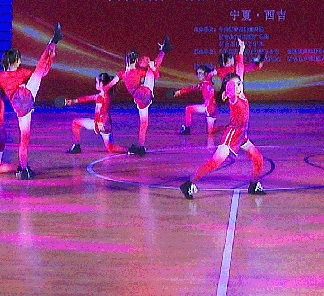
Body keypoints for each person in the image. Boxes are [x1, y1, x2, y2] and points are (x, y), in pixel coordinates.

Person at [180, 39, 265, 199]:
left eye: (239, 83)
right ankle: (189, 183)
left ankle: (254, 185)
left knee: (258, 158)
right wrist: (228, 90)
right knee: (215, 162)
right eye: (236, 84)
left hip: (242, 135)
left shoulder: (240, 91)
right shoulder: (234, 98)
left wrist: (241, 51)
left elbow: (239, 69)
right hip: (232, 135)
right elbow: (231, 88)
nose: (239, 85)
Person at [0, 23, 62, 179]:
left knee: (24, 140)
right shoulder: (22, 72)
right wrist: (51, 54)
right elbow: (42, 71)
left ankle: (23, 168)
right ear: (15, 60)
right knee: (39, 70)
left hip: (20, 108)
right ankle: (52, 43)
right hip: (26, 98)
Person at [111, 37, 170, 156]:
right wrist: (152, 66)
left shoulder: (123, 73)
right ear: (136, 60)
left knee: (143, 123)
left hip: (140, 100)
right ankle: (164, 50)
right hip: (145, 94)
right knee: (152, 68)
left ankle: (141, 146)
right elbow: (156, 75)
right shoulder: (138, 71)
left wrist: (104, 89)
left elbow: (112, 83)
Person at [57, 73, 128, 154]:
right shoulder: (101, 95)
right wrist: (73, 101)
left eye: (97, 82)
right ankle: (131, 149)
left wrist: (123, 73)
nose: (96, 84)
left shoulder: (105, 93)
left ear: (101, 83)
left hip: (102, 123)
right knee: (110, 148)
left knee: (75, 123)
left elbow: (104, 110)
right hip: (103, 124)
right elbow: (87, 98)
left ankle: (76, 146)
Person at [173, 65, 218, 136]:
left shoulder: (208, 82)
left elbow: (211, 75)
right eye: (197, 73)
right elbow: (191, 88)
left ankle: (224, 127)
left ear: (206, 74)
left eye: (200, 73)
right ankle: (187, 129)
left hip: (211, 109)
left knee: (210, 132)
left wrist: (215, 71)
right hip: (206, 107)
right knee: (188, 109)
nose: (198, 75)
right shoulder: (203, 84)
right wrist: (180, 92)